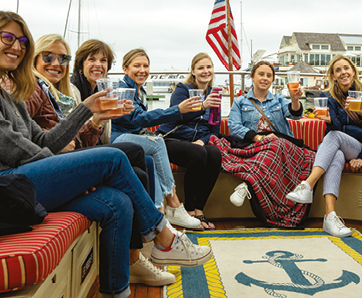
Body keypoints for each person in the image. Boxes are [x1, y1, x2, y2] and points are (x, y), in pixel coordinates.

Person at [0, 11, 212, 298]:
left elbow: (43, 141)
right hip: (1, 188)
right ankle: (162, 235)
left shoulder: (7, 92)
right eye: (7, 37)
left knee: (117, 203)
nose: (16, 46)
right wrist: (66, 169)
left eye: (22, 40)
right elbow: (5, 145)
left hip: (22, 181)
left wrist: (86, 109)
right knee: (113, 158)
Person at [28, 34, 175, 287]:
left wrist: (98, 119)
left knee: (135, 177)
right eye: (48, 57)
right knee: (125, 157)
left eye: (62, 58)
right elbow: (32, 141)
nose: (55, 63)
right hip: (44, 172)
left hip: (68, 161)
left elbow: (78, 140)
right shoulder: (33, 90)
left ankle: (119, 288)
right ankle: (162, 232)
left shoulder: (59, 93)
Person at [212, 61, 315, 227]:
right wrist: (257, 138)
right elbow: (234, 127)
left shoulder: (279, 99)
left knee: (277, 143)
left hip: (282, 145)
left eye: (269, 75)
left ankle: (246, 184)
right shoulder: (240, 102)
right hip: (255, 145)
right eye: (261, 74)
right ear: (252, 76)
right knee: (272, 143)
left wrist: (295, 100)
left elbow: (294, 115)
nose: (265, 78)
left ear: (273, 80)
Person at [286, 55, 362, 237]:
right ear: (333, 76)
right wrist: (329, 120)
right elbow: (336, 127)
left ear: (353, 70)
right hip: (338, 146)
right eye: (338, 70)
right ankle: (330, 216)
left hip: (359, 146)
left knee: (333, 135)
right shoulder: (327, 96)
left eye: (346, 68)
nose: (343, 72)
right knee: (335, 155)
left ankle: (307, 185)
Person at [110, 48, 201, 229]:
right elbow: (136, 119)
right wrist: (177, 110)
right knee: (158, 142)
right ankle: (173, 204)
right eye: (137, 65)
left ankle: (160, 213)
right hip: (115, 138)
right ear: (125, 68)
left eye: (146, 65)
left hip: (129, 137)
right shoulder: (122, 90)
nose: (142, 70)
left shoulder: (137, 89)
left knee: (152, 159)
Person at [156, 53, 222, 230]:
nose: (205, 71)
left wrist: (202, 140)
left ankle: (199, 209)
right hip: (171, 140)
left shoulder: (214, 95)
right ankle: (189, 210)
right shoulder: (182, 90)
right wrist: (203, 106)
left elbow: (215, 130)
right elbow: (178, 116)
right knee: (198, 153)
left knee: (215, 153)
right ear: (193, 71)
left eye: (209, 67)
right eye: (200, 68)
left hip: (195, 144)